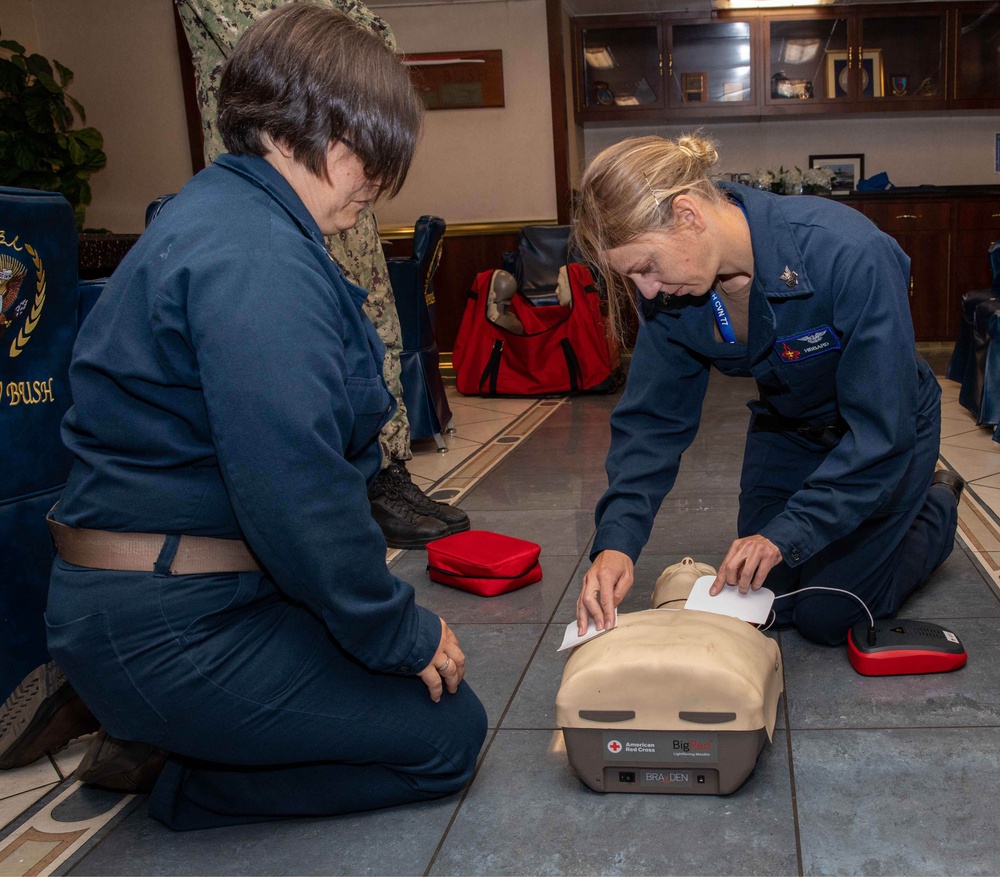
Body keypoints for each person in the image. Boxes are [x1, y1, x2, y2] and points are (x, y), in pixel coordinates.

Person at [43, 4, 486, 829]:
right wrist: (399, 631)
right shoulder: (257, 258)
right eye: (368, 155)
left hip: (183, 589)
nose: (377, 184)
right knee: (447, 734)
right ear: (295, 132)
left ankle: (168, 729)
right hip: (175, 621)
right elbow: (299, 495)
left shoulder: (224, 213)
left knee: (407, 678)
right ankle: (185, 777)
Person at [573, 134, 962, 646]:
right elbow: (653, 422)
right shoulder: (670, 295)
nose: (646, 290)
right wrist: (616, 543)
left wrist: (785, 534)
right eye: (632, 277)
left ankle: (936, 502)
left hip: (883, 437)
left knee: (830, 616)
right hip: (789, 429)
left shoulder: (848, 252)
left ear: (688, 215)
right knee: (764, 603)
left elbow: (880, 430)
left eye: (646, 266)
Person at [175, 0, 469, 549]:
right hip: (291, 164)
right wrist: (397, 631)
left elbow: (371, 41)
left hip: (316, 166)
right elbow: (298, 48)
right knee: (304, 366)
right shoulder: (252, 248)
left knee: (369, 332)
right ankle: (352, 487)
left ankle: (381, 473)